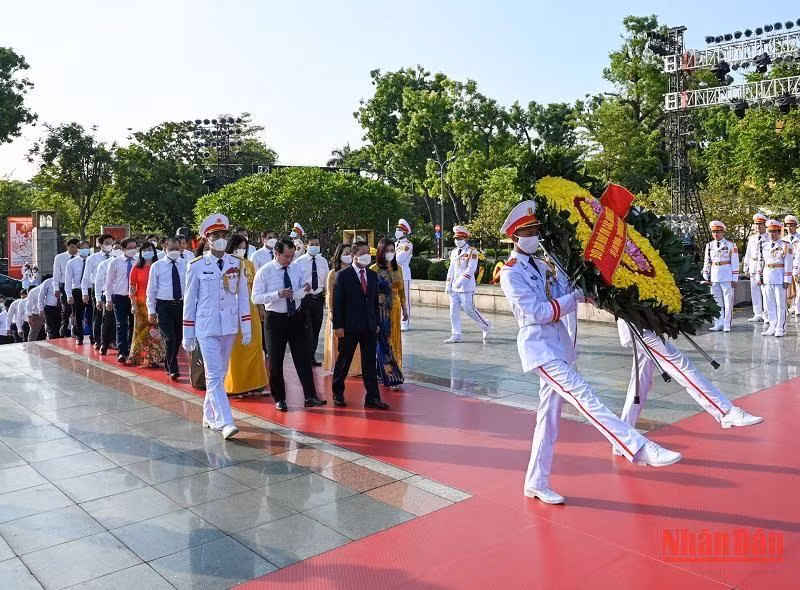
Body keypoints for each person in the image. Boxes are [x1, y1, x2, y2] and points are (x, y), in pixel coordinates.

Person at [499, 200, 682, 505]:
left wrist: (588, 289)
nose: (534, 234)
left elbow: (562, 294)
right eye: (528, 231)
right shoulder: (510, 272)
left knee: (548, 420)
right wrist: (574, 297)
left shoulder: (543, 264)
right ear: (514, 237)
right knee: (585, 397)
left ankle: (536, 481)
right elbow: (538, 312)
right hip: (540, 348)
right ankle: (636, 446)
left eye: (535, 229)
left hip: (559, 346)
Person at [615, 320, 763, 440]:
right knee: (680, 365)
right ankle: (724, 411)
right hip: (637, 328)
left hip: (645, 324)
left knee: (640, 382)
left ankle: (622, 436)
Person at [183, 214, 252, 439]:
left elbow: (243, 297)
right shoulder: (196, 266)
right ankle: (226, 422)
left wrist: (247, 327)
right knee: (213, 375)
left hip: (229, 326)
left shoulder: (236, 264)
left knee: (220, 374)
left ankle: (209, 415)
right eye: (216, 235)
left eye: (224, 235)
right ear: (207, 238)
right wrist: (188, 332)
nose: (221, 239)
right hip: (206, 325)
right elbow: (190, 301)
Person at [252, 238, 325, 411]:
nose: (290, 259)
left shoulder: (296, 267)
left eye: (292, 256)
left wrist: (304, 288)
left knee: (303, 357)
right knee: (276, 361)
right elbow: (255, 297)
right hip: (275, 319)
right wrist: (278, 294)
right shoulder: (265, 271)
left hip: (296, 316)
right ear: (277, 254)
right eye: (286, 256)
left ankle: (310, 395)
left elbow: (298, 289)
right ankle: (280, 398)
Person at [331, 240, 389, 410]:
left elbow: (373, 301)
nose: (366, 256)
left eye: (368, 252)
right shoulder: (343, 276)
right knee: (344, 360)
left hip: (369, 327)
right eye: (362, 253)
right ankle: (338, 393)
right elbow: (338, 304)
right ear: (354, 255)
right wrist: (338, 326)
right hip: (349, 327)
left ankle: (372, 397)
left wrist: (376, 323)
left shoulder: (371, 275)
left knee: (369, 363)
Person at [224, 235, 268, 395]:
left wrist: (260, 307)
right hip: (232, 310)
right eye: (238, 246)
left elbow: (256, 289)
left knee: (255, 344)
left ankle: (256, 383)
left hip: (251, 309)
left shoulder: (249, 264)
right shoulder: (224, 264)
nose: (241, 249)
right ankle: (236, 385)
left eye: (244, 246)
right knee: (236, 348)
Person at [146, 237, 185, 380]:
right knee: (169, 339)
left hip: (181, 305)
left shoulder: (186, 265)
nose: (174, 251)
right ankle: (174, 368)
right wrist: (151, 310)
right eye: (171, 249)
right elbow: (151, 290)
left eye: (177, 248)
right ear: (165, 248)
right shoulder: (157, 266)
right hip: (164, 306)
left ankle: (169, 363)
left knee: (179, 338)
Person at [444, 226, 491, 343]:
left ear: (465, 239)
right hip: (454, 287)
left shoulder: (472, 251)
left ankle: (485, 325)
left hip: (466, 287)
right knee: (452, 311)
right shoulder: (454, 252)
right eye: (455, 238)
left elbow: (471, 269)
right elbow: (451, 269)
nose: (457, 240)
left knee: (469, 310)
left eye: (459, 238)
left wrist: (460, 282)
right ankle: (456, 334)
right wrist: (448, 284)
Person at [371, 238, 406, 388]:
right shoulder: (373, 269)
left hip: (396, 309)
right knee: (384, 342)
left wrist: (405, 308)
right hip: (381, 310)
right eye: (386, 250)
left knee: (394, 340)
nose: (390, 253)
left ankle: (384, 372)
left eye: (392, 250)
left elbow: (402, 291)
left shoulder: (398, 269)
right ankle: (391, 375)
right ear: (380, 251)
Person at [324, 244, 362, 376]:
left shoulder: (356, 271)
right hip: (339, 313)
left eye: (350, 253)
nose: (349, 256)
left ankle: (355, 368)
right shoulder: (333, 274)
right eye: (346, 253)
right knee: (339, 342)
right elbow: (330, 294)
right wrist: (332, 312)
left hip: (353, 314)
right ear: (339, 255)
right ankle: (339, 367)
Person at [128, 243, 165, 366]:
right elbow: (132, 287)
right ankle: (137, 357)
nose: (147, 252)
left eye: (149, 250)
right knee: (140, 331)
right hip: (140, 305)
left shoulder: (159, 266)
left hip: (155, 304)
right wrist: (133, 304)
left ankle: (154, 358)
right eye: (144, 250)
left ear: (154, 252)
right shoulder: (136, 268)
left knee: (154, 332)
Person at [295, 236, 329, 366]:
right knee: (306, 328)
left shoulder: (323, 261)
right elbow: (296, 281)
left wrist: (327, 297)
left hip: (318, 298)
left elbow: (326, 280)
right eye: (311, 244)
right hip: (305, 298)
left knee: (316, 327)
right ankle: (305, 356)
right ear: (306, 245)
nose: (314, 246)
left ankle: (312, 355)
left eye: (317, 244)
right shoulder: (299, 262)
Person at [758, 219, 793, 337]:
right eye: (770, 231)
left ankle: (780, 327)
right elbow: (760, 262)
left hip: (779, 277)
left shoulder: (785, 245)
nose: (772, 234)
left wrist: (787, 279)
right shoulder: (763, 245)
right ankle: (772, 326)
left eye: (774, 232)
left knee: (781, 305)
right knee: (769, 304)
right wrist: (760, 276)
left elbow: (788, 263)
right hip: (767, 276)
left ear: (779, 232)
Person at [106, 238, 139, 363]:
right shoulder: (115, 262)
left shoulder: (138, 262)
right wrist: (108, 299)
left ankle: (132, 349)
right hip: (120, 297)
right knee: (121, 324)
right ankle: (122, 351)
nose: (133, 250)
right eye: (130, 247)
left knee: (134, 325)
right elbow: (109, 283)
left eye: (134, 247)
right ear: (124, 249)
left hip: (135, 297)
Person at [702, 221, 739, 333]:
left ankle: (727, 323)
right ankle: (718, 322)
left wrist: (735, 278)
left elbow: (735, 262)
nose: (716, 234)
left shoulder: (731, 245)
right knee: (716, 301)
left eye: (718, 232)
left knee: (728, 302)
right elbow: (707, 262)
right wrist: (706, 276)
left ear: (723, 232)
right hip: (714, 275)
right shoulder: (709, 245)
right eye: (714, 232)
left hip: (727, 275)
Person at [82, 234, 114, 349]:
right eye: (106, 243)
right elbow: (85, 277)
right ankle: (97, 339)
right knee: (98, 315)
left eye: (111, 243)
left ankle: (110, 340)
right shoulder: (93, 258)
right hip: (98, 288)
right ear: (100, 244)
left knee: (110, 317)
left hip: (111, 289)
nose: (109, 245)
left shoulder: (114, 257)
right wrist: (84, 292)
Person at [95, 242, 120, 355]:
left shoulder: (130, 262)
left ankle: (119, 343)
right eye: (116, 248)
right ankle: (104, 344)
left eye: (120, 248)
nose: (118, 250)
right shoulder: (104, 264)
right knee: (107, 321)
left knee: (121, 322)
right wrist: (98, 298)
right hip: (109, 296)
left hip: (123, 296)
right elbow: (99, 282)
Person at [64, 240, 92, 345]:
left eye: (87, 247)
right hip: (77, 290)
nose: (85, 250)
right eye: (83, 248)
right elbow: (68, 280)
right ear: (78, 249)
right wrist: (69, 295)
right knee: (77, 315)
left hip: (89, 290)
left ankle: (93, 337)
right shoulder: (72, 262)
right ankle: (79, 336)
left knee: (91, 315)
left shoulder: (92, 260)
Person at [743, 212, 768, 322]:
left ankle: (766, 314)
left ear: (765, 224)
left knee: (765, 292)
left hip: (763, 267)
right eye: (756, 224)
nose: (758, 226)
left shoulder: (769, 237)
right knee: (755, 291)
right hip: (753, 266)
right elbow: (748, 253)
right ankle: (757, 313)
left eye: (760, 224)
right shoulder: (752, 238)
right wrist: (746, 266)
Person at [53, 238, 80, 338]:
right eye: (72, 247)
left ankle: (76, 331)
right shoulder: (60, 257)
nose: (74, 249)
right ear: (67, 246)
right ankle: (64, 328)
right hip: (64, 285)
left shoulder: (81, 257)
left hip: (77, 286)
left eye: (76, 247)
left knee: (77, 309)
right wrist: (56, 288)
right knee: (66, 308)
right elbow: (56, 273)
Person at [395, 219, 414, 331]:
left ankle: (406, 322)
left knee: (405, 299)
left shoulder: (407, 245)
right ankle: (397, 320)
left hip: (404, 274)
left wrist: (388, 258)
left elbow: (400, 258)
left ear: (405, 232)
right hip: (394, 274)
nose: (397, 231)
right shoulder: (395, 244)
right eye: (397, 229)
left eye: (400, 229)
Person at [784, 215, 800, 316]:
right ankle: (789, 308)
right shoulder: (783, 239)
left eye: (792, 226)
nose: (789, 228)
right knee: (786, 288)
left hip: (797, 265)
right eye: (787, 226)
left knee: (798, 288)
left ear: (796, 226)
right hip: (786, 266)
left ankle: (798, 308)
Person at [39, 275, 59, 340]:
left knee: (60, 328)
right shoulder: (48, 282)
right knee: (51, 329)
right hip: (49, 308)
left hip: (61, 308)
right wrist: (41, 309)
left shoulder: (63, 280)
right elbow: (41, 296)